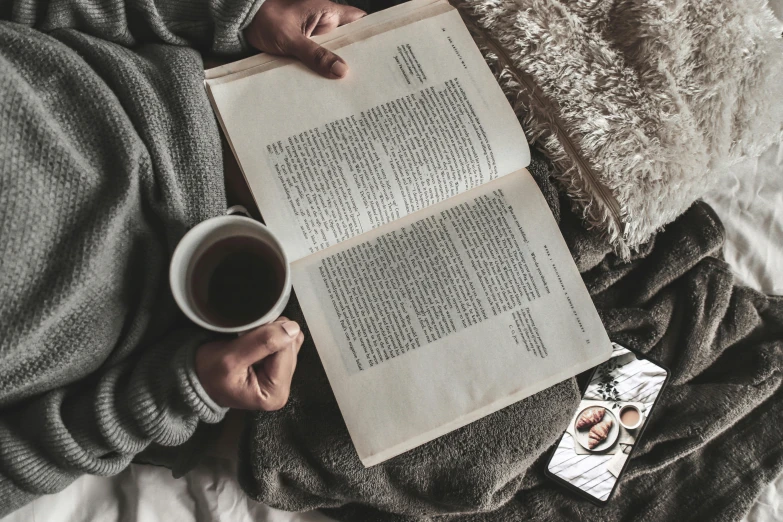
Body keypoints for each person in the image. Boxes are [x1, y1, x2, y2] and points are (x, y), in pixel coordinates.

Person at [0, 0, 366, 516]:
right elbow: (19, 465)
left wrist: (229, 16)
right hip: (200, 336)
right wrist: (182, 390)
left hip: (212, 101)